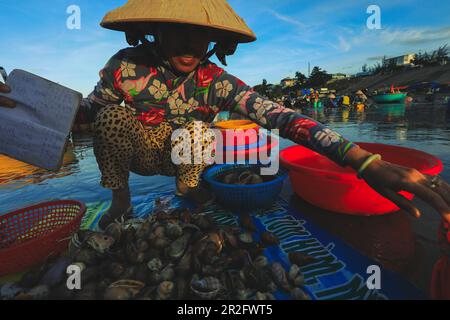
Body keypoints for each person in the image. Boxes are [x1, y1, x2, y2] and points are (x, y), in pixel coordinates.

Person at [1, 0, 449, 231]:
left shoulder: (217, 81)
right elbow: (84, 117)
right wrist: (20, 112)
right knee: (111, 119)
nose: (191, 46)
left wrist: (363, 161)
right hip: (137, 149)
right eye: (180, 32)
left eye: (202, 36)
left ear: (214, 42)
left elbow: (282, 117)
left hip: (183, 155)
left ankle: (189, 188)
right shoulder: (125, 67)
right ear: (156, 30)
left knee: (198, 126)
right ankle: (120, 200)